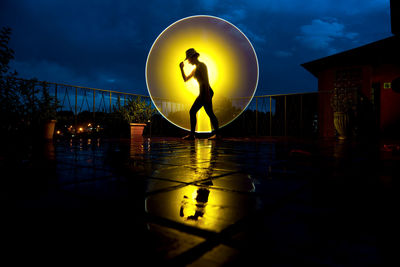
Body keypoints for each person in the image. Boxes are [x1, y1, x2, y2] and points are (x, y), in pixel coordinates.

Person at [179, 48, 219, 140]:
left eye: (189, 58)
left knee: (196, 112)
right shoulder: (195, 69)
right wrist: (181, 68)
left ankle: (216, 135)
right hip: (203, 93)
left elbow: (206, 81)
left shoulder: (202, 66)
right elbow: (185, 79)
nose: (188, 61)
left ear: (194, 57)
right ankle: (216, 135)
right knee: (208, 113)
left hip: (206, 92)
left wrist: (207, 96)